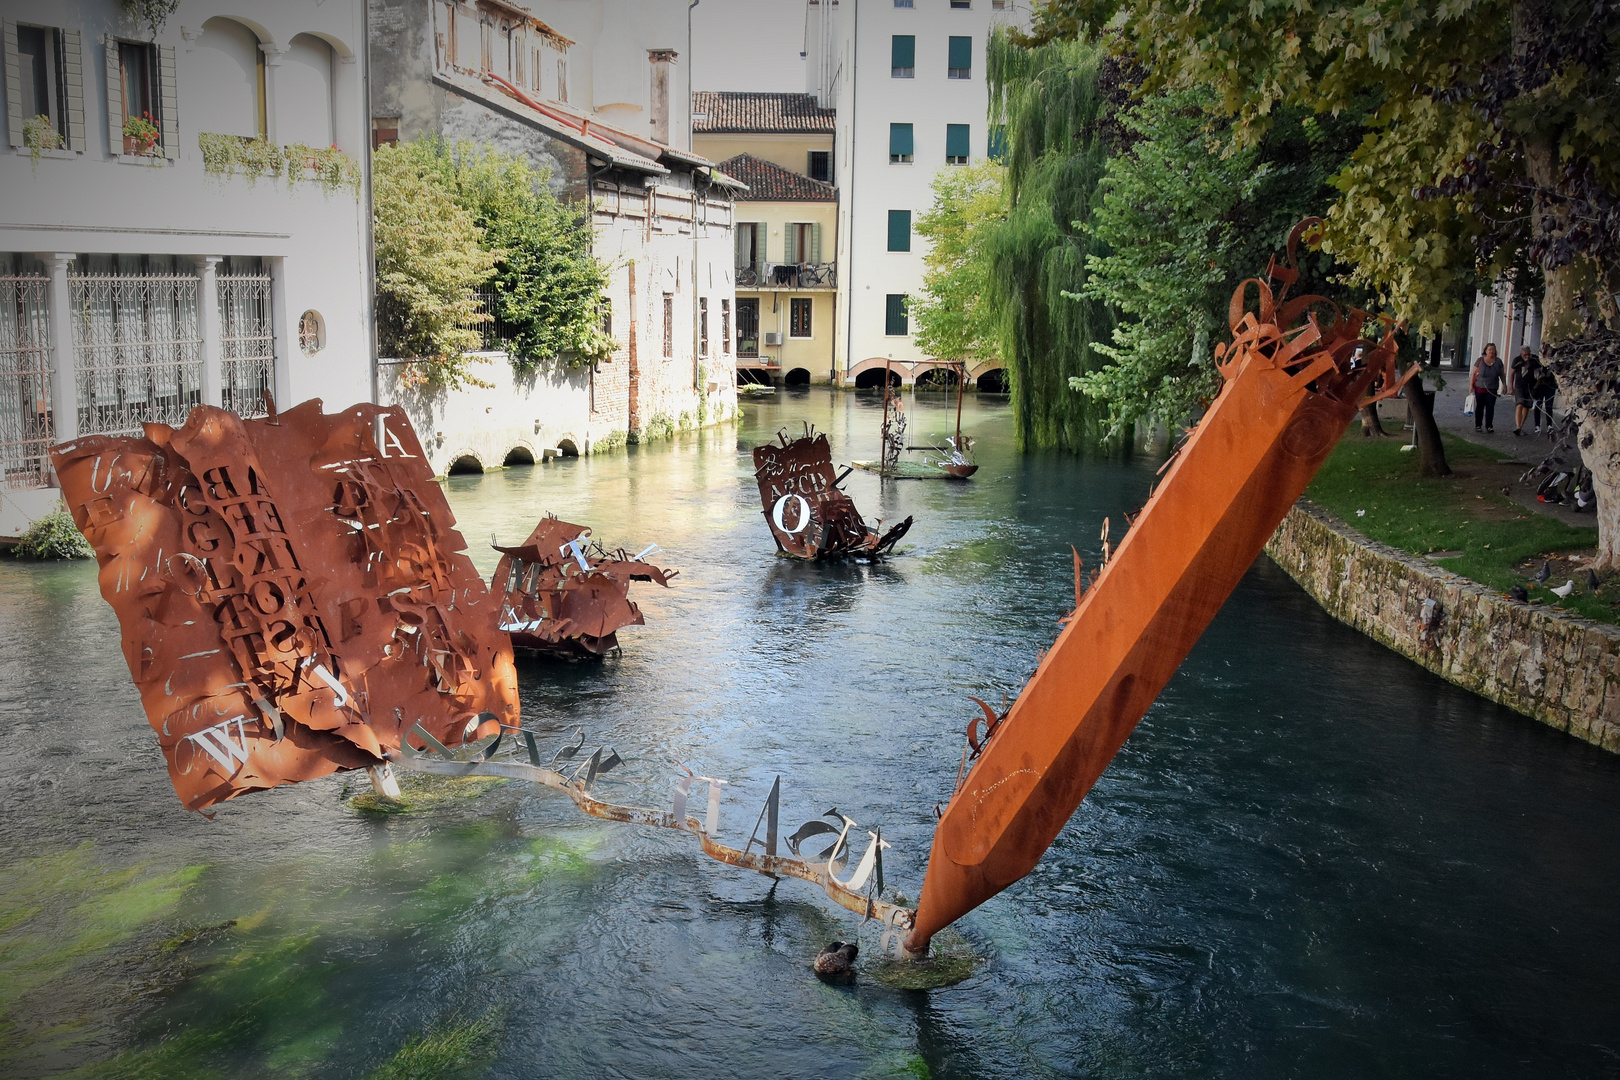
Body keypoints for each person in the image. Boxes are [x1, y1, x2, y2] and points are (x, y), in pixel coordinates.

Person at [1470, 342, 1505, 433]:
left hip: (1492, 388)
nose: (1491, 351)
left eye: (1493, 350)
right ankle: (1478, 425)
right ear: (1486, 350)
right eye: (1489, 349)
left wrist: (1504, 384)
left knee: (1490, 407)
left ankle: (1489, 425)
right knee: (1480, 407)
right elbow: (1474, 374)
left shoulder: (1498, 362)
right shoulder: (1480, 360)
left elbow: (1502, 374)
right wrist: (1471, 386)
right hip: (1480, 388)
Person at [1511, 345, 1538, 435]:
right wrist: (1511, 387)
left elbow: (1540, 372)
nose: (1527, 356)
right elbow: (1512, 373)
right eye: (1525, 354)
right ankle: (1518, 426)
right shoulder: (1517, 360)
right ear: (1521, 353)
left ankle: (1521, 426)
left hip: (1530, 387)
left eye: (1528, 354)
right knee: (1519, 404)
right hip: (1519, 386)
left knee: (1526, 406)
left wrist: (1537, 385)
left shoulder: (1534, 360)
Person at [1533, 359, 1558, 433]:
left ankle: (1549, 425)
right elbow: (1536, 374)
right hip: (1540, 386)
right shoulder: (1538, 361)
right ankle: (1537, 425)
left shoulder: (1553, 362)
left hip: (1550, 386)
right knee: (1538, 405)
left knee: (1549, 406)